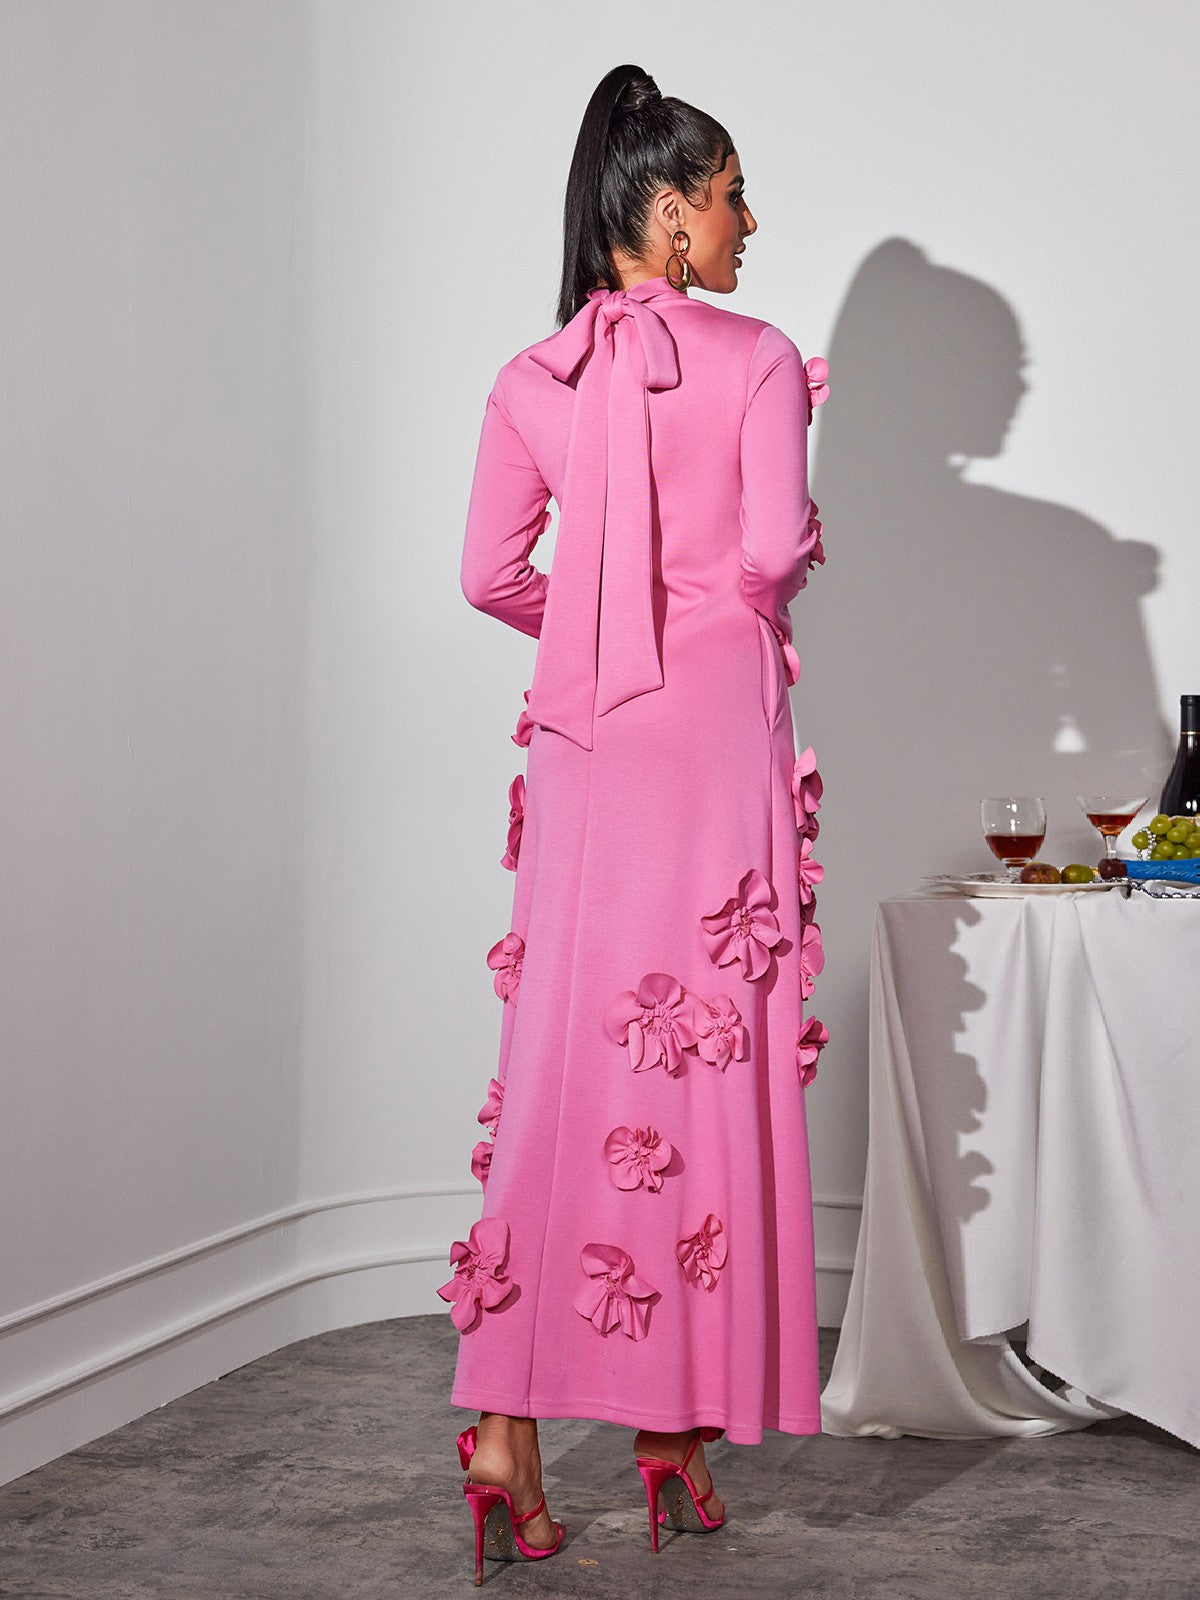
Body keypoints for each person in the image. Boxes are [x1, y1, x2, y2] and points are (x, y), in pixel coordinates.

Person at [441, 63, 830, 1583]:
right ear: (669, 211)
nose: (749, 224)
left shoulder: (530, 378)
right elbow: (774, 554)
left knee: (566, 1063)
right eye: (731, 197)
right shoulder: (760, 356)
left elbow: (489, 573)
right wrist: (713, 608)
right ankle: (675, 1422)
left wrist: (598, 621)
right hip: (713, 741)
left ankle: (506, 1432)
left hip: (592, 741)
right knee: (699, 1067)